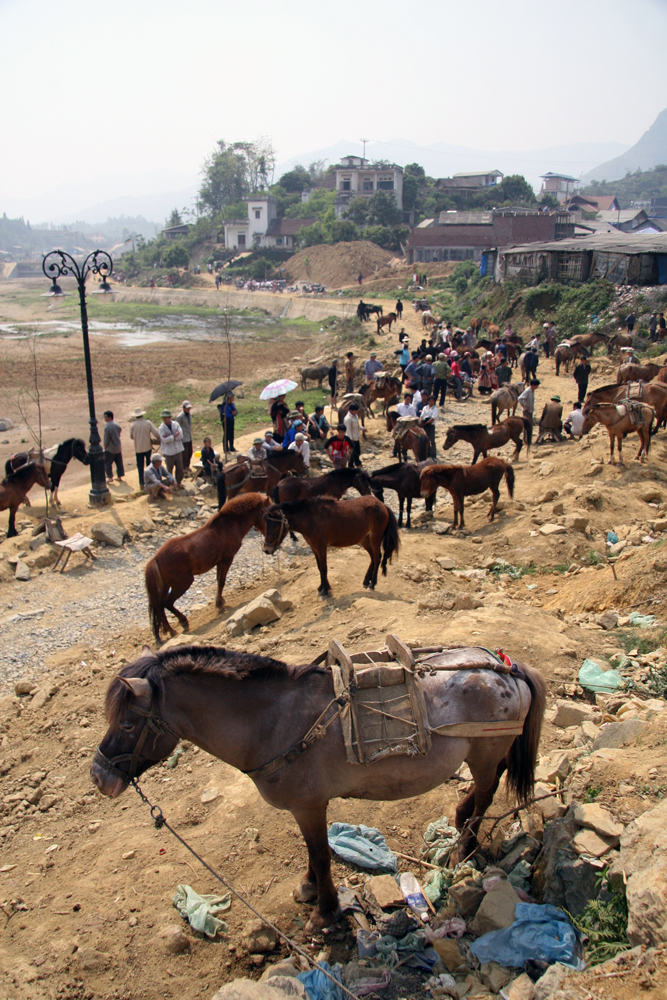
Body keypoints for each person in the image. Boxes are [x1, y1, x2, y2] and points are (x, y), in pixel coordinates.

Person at [128, 407, 159, 489]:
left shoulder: (133, 425)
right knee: (149, 465)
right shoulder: (148, 423)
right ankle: (150, 480)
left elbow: (131, 436)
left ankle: (141, 483)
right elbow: (156, 433)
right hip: (147, 447)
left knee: (140, 466)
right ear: (142, 415)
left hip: (138, 449)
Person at [159, 409, 185, 483]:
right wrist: (173, 436)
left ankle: (179, 482)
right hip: (168, 453)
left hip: (178, 450)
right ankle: (171, 483)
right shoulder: (161, 428)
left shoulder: (176, 424)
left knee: (180, 468)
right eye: (163, 417)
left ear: (169, 417)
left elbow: (181, 435)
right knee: (169, 469)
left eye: (166, 417)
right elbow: (165, 440)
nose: (164, 418)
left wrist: (170, 437)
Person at [103, 410, 124, 482]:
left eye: (105, 417)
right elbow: (120, 430)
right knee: (119, 463)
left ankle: (110, 477)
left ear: (110, 417)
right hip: (118, 446)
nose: (104, 418)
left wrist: (105, 446)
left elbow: (106, 438)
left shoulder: (107, 427)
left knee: (107, 463)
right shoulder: (116, 425)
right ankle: (120, 476)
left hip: (110, 448)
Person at [176, 400, 193, 471]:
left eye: (189, 408)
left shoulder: (188, 415)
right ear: (183, 408)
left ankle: (187, 466)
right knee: (184, 454)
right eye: (187, 408)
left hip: (189, 436)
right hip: (183, 438)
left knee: (190, 452)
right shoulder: (180, 417)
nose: (188, 409)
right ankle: (183, 468)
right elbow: (176, 426)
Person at [419, 394, 438, 459]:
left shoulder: (435, 409)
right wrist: (420, 421)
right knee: (425, 440)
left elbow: (432, 419)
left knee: (432, 441)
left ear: (434, 402)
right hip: (424, 425)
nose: (431, 402)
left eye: (432, 401)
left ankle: (434, 455)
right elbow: (421, 415)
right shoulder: (425, 408)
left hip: (430, 426)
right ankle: (427, 453)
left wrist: (426, 423)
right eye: (430, 401)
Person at [343, 403, 362, 468]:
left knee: (357, 452)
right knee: (352, 454)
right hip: (352, 439)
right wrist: (350, 441)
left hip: (356, 437)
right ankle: (351, 466)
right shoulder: (348, 419)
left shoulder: (355, 416)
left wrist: (362, 428)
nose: (356, 412)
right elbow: (348, 431)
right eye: (355, 410)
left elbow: (356, 425)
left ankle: (357, 463)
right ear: (351, 410)